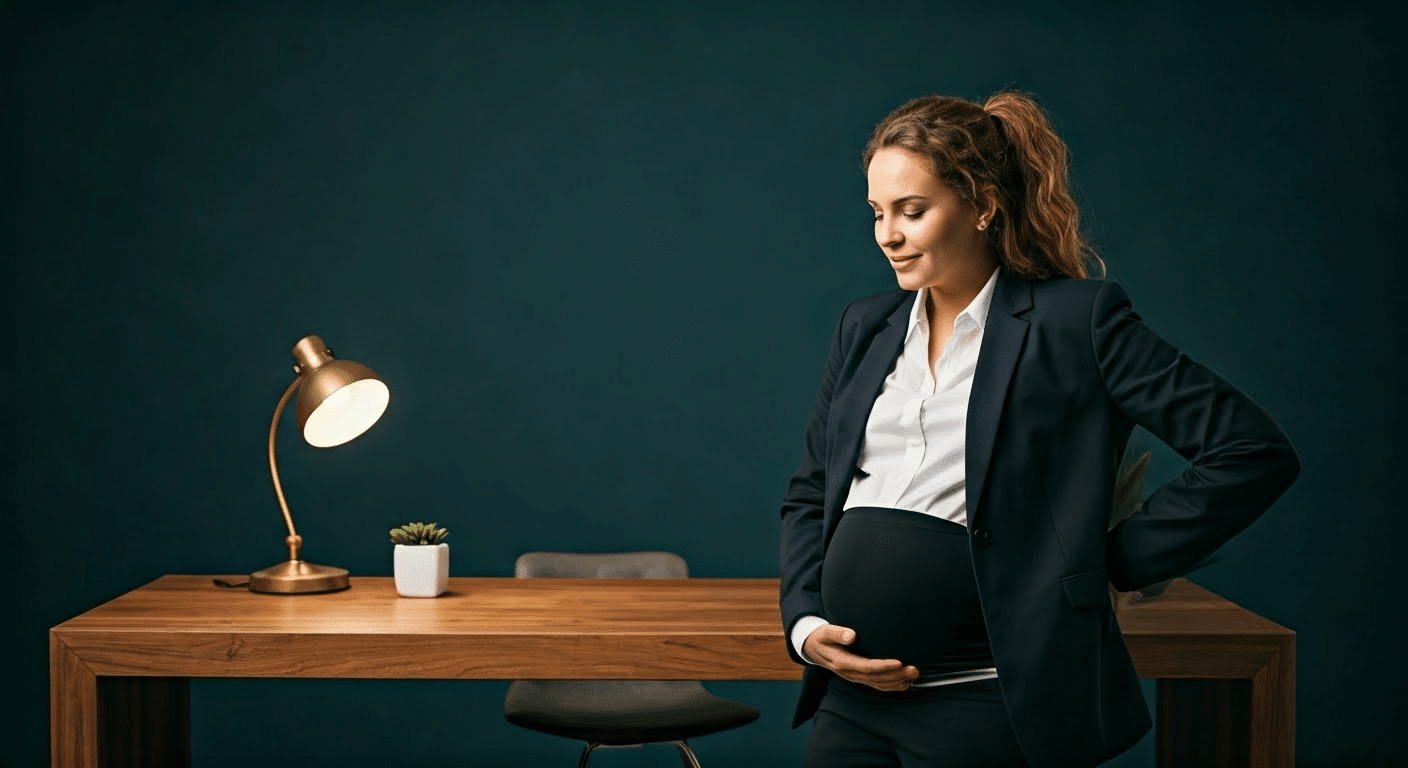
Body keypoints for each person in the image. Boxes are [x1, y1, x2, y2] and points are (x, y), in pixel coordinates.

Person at [777, 91, 1301, 768]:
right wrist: (808, 625)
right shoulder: (865, 326)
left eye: (912, 211)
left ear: (984, 205)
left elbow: (1251, 450)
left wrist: (1107, 561)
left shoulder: (1075, 322)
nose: (888, 234)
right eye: (877, 212)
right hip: (853, 703)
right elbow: (811, 489)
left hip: (989, 704)